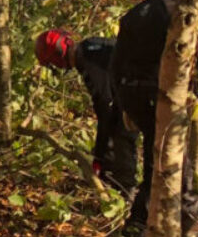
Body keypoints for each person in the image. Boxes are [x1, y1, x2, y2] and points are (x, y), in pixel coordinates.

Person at [111, 0, 198, 237]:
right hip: (159, 99)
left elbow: (115, 68)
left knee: (159, 163)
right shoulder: (180, 18)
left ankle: (161, 228)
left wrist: (124, 106)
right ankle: (150, 233)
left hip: (134, 97)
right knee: (169, 166)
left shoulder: (135, 14)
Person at [35, 28, 138, 194]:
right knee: (116, 129)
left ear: (57, 56)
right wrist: (100, 153)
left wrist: (100, 155)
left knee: (122, 133)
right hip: (133, 85)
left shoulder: (89, 59)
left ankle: (126, 191)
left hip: (139, 86)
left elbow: (105, 105)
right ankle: (115, 182)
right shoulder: (90, 47)